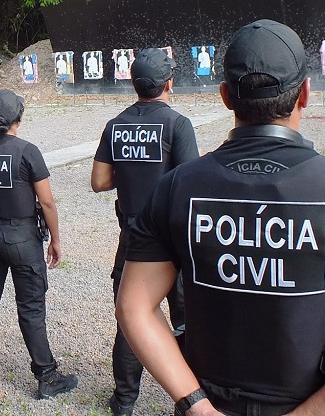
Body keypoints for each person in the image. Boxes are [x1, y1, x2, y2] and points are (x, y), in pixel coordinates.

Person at [117, 19, 325, 415]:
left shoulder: (177, 186)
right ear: (305, 94)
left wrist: (197, 405)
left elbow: (134, 306)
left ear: (226, 96)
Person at [91, 47, 198, 416]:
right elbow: (191, 188)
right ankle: (189, 399)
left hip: (133, 238)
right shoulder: (177, 125)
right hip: (173, 240)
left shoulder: (115, 124)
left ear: (133, 84)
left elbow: (99, 181)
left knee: (131, 316)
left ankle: (123, 400)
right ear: (169, 83)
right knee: (186, 320)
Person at [0, 89, 76, 400]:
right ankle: (46, 377)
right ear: (18, 117)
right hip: (23, 237)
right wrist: (55, 239)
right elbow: (47, 202)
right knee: (30, 308)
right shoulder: (28, 152)